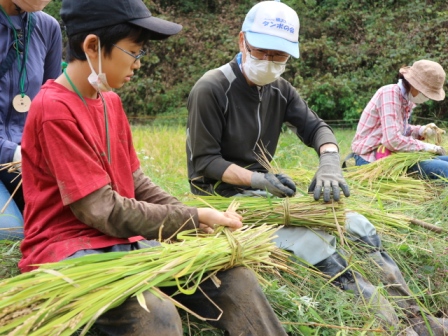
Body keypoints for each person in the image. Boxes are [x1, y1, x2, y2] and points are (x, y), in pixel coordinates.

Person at [18, 0, 287, 335]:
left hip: (123, 243)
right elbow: (100, 210)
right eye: (135, 52)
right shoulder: (54, 109)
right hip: (71, 249)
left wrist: (193, 217)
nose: (139, 64)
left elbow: (135, 182)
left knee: (235, 279)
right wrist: (191, 219)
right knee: (154, 312)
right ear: (92, 46)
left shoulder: (110, 102)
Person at [186, 1, 447, 334]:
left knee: (360, 226)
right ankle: (393, 326)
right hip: (227, 204)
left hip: (269, 194)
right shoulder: (211, 89)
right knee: (313, 244)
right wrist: (257, 179)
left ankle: (415, 317)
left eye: (279, 55)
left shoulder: (280, 90)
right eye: (261, 51)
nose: (268, 61)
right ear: (242, 42)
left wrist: (329, 163)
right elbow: (205, 162)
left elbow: (317, 128)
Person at [0, 0, 62, 240]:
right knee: (12, 233)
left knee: (62, 226)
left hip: (28, 160)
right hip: (17, 156)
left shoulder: (48, 27)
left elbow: (52, 103)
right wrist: (11, 152)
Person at [351, 60, 448, 179]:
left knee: (446, 160)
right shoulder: (389, 94)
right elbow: (392, 140)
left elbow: (399, 129)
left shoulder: (405, 99)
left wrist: (420, 130)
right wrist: (428, 147)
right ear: (415, 86)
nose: (427, 98)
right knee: (445, 169)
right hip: (372, 156)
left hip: (392, 152)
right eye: (427, 94)